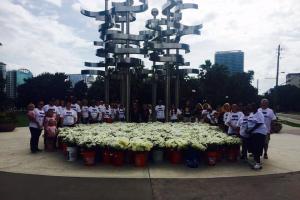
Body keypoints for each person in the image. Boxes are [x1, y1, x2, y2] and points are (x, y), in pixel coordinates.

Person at [247, 103, 267, 170]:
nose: (250, 107)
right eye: (250, 106)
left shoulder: (259, 113)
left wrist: (251, 130)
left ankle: (258, 164)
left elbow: (260, 123)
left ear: (255, 107)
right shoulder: (251, 114)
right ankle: (256, 162)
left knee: (257, 148)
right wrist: (248, 129)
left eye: (251, 106)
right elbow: (249, 122)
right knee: (253, 148)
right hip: (253, 133)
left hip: (259, 133)